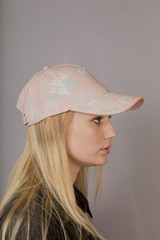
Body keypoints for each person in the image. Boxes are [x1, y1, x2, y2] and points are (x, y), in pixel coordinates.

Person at [0, 64, 144, 240]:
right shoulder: (31, 221)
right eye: (97, 119)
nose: (112, 133)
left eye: (109, 118)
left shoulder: (64, 206)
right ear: (55, 129)